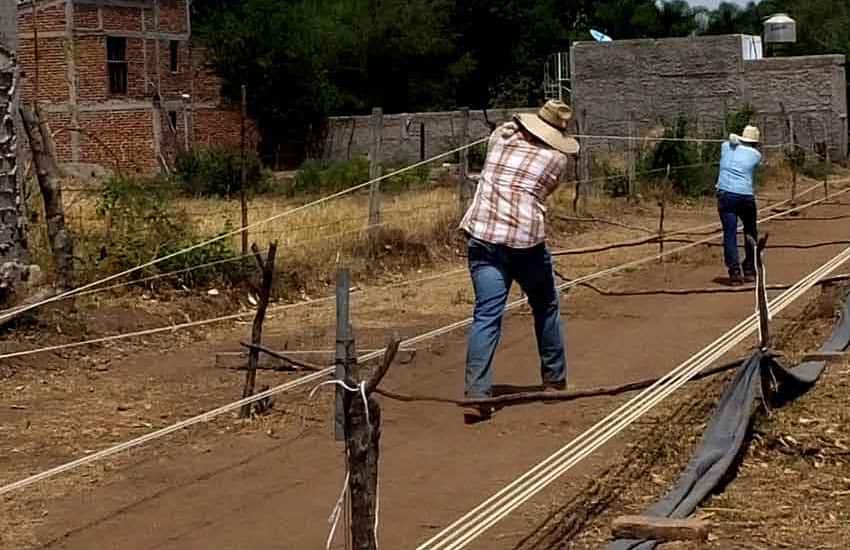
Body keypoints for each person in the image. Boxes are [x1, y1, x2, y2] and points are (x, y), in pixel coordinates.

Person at [458, 100, 580, 424]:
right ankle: (554, 380)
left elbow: (501, 130)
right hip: (525, 243)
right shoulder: (556, 158)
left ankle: (477, 393)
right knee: (546, 304)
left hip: (483, 237)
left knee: (486, 314)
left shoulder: (500, 139)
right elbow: (546, 190)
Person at [716, 125, 762, 286]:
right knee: (751, 231)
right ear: (755, 142)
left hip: (726, 194)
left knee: (729, 233)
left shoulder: (726, 147)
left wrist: (733, 140)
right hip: (745, 195)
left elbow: (726, 141)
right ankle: (749, 269)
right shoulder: (756, 155)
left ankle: (734, 272)